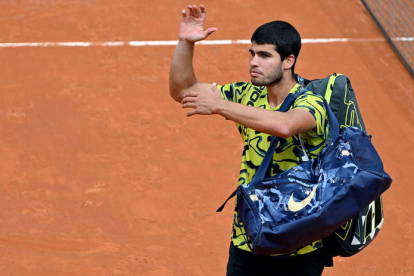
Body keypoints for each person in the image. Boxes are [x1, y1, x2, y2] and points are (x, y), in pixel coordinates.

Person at [169, 4, 331, 276]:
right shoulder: (247, 95)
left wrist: (220, 105)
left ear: (288, 61)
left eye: (265, 55)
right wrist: (185, 44)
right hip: (249, 237)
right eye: (252, 54)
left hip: (300, 244)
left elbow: (285, 124)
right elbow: (182, 90)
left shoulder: (311, 103)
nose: (254, 62)